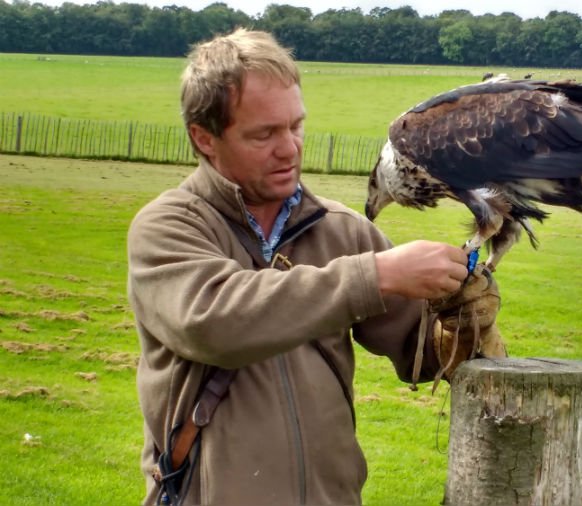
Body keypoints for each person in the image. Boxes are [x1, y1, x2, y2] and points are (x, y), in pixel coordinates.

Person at [127, 28, 501, 505]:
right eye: (264, 134)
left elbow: (420, 353)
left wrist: (462, 316)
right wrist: (377, 274)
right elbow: (214, 323)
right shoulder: (169, 228)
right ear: (205, 139)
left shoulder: (342, 232)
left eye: (295, 126)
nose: (290, 148)